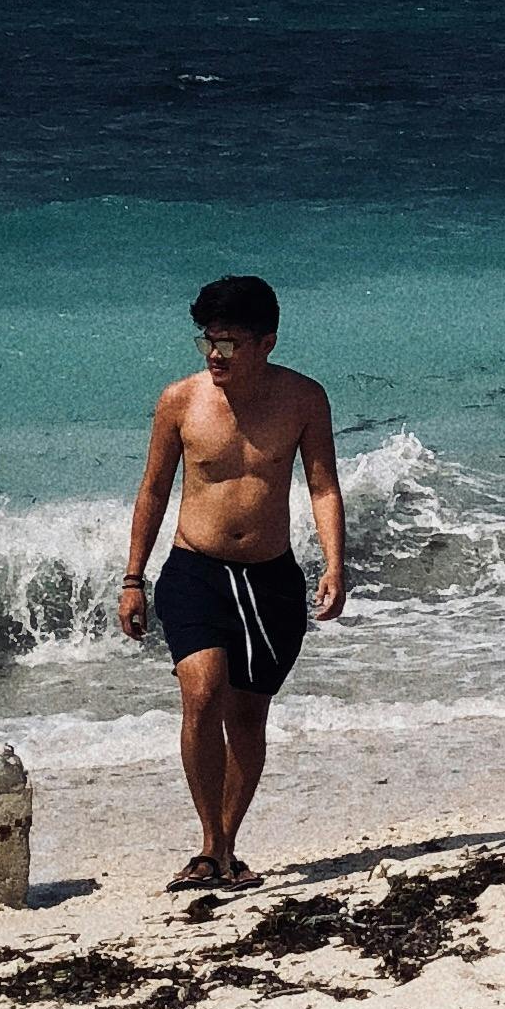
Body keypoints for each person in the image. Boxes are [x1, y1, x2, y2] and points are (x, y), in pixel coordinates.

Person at [119, 272, 346, 890]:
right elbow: (153, 489)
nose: (216, 354)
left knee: (248, 717)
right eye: (208, 341)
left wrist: (334, 564)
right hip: (195, 569)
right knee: (201, 693)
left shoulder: (303, 399)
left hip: (271, 579)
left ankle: (227, 850)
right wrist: (132, 578)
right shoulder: (180, 401)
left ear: (266, 341)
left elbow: (323, 486)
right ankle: (209, 846)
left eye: (230, 343)